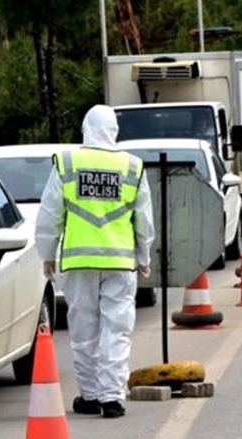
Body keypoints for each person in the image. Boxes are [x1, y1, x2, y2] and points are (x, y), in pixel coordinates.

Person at [35, 104, 155, 419]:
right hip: (119, 261)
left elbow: (50, 213)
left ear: (85, 129)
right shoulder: (131, 167)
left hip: (79, 262)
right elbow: (143, 219)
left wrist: (47, 254)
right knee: (116, 328)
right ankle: (112, 397)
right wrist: (143, 256)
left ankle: (89, 395)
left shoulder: (68, 163)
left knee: (84, 328)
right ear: (114, 131)